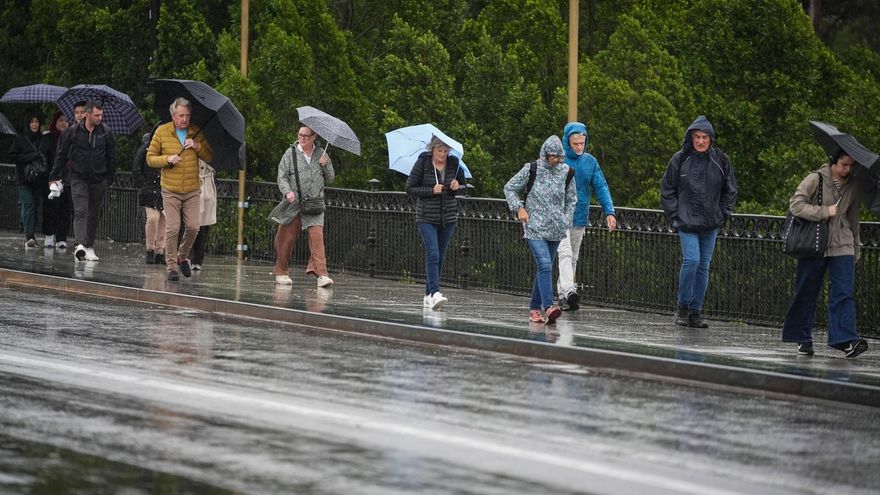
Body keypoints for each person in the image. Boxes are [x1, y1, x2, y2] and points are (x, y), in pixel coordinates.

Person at [781, 151, 869, 358]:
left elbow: (853, 218)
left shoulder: (853, 185)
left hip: (843, 244)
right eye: (844, 164)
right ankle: (802, 338)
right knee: (806, 291)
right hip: (814, 243)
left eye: (851, 165)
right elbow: (796, 205)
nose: (848, 169)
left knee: (843, 293)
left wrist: (856, 248)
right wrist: (824, 211)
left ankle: (845, 341)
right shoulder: (815, 179)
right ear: (833, 163)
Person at [660, 115, 737, 328]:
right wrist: (674, 216)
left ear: (711, 139)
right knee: (692, 261)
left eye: (704, 137)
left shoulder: (721, 160)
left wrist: (722, 214)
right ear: (691, 138)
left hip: (710, 222)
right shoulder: (679, 159)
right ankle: (682, 307)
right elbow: (667, 189)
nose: (701, 141)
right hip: (686, 221)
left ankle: (695, 312)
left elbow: (730, 190)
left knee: (704, 266)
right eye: (697, 137)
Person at [504, 135, 577, 324]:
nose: (556, 160)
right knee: (544, 264)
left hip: (556, 229)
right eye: (553, 156)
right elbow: (509, 188)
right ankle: (548, 306)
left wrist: (566, 219)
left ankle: (534, 309)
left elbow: (571, 199)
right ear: (545, 154)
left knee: (544, 267)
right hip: (534, 226)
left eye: (559, 156)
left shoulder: (567, 172)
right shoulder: (532, 169)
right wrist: (519, 208)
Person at [146, 97, 212, 281]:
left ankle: (182, 256)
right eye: (181, 115)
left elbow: (209, 156)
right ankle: (171, 267)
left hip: (192, 189)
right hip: (170, 189)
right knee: (173, 228)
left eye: (187, 115)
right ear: (173, 116)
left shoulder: (195, 132)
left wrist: (197, 146)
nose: (185, 119)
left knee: (193, 227)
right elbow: (150, 158)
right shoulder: (162, 132)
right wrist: (167, 159)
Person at [555, 122, 617, 311]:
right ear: (567, 142)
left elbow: (601, 186)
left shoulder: (590, 162)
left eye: (582, 143)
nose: (579, 147)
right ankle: (569, 291)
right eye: (575, 143)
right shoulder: (558, 160)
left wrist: (609, 211)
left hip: (580, 214)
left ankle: (563, 295)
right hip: (560, 214)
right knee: (564, 252)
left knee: (573, 256)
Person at [405, 136, 467, 310]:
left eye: (446, 151)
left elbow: (464, 185)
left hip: (448, 217)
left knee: (440, 255)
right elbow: (410, 188)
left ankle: (428, 295)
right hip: (426, 216)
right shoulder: (423, 163)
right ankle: (435, 293)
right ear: (432, 150)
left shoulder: (454, 164)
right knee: (433, 253)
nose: (442, 155)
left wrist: (457, 187)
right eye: (439, 151)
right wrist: (431, 190)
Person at [269, 125, 335, 288]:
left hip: (315, 203)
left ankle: (322, 274)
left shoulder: (322, 154)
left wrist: (326, 165)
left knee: (317, 238)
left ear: (314, 137)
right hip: (294, 203)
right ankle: (281, 272)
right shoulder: (290, 153)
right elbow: (282, 176)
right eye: (300, 135)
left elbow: (330, 179)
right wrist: (287, 192)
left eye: (306, 136)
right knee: (286, 238)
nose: (302, 138)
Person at [50, 100, 116, 262]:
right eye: (96, 115)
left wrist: (108, 179)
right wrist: (54, 176)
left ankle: (89, 245)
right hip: (78, 177)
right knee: (81, 210)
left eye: (101, 115)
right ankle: (80, 244)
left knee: (94, 214)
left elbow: (112, 157)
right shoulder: (73, 131)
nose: (100, 118)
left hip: (99, 179)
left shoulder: (106, 132)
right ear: (87, 114)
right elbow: (62, 155)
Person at [8, 113, 53, 248]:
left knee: (35, 206)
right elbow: (13, 156)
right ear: (28, 124)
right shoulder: (20, 139)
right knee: (28, 204)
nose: (34, 124)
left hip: (38, 178)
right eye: (32, 122)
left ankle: (29, 230)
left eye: (37, 122)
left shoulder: (43, 139)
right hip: (24, 178)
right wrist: (31, 156)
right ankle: (29, 235)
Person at [132, 129, 165, 264]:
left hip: (164, 187)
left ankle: (160, 250)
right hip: (149, 187)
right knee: (153, 218)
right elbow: (137, 166)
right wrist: (143, 184)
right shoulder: (146, 148)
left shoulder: (167, 147)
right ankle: (150, 249)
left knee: (164, 220)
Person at [44, 111, 73, 249]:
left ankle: (62, 237)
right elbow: (44, 157)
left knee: (64, 209)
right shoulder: (49, 138)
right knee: (51, 208)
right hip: (52, 177)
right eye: (60, 120)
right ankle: (49, 235)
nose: (63, 123)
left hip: (66, 178)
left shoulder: (71, 136)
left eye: (66, 120)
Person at [190, 158, 217, 271]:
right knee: (190, 226)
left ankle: (197, 259)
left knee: (202, 228)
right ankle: (187, 255)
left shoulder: (211, 154)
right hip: (191, 188)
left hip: (206, 192)